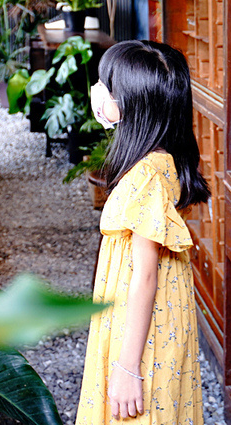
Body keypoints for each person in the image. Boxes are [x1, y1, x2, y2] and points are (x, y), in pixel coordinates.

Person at [75, 40, 210, 424]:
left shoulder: (147, 174)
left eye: (108, 86)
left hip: (141, 327)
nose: (98, 92)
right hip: (148, 315)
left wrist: (128, 367)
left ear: (133, 105)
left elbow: (145, 276)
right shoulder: (158, 157)